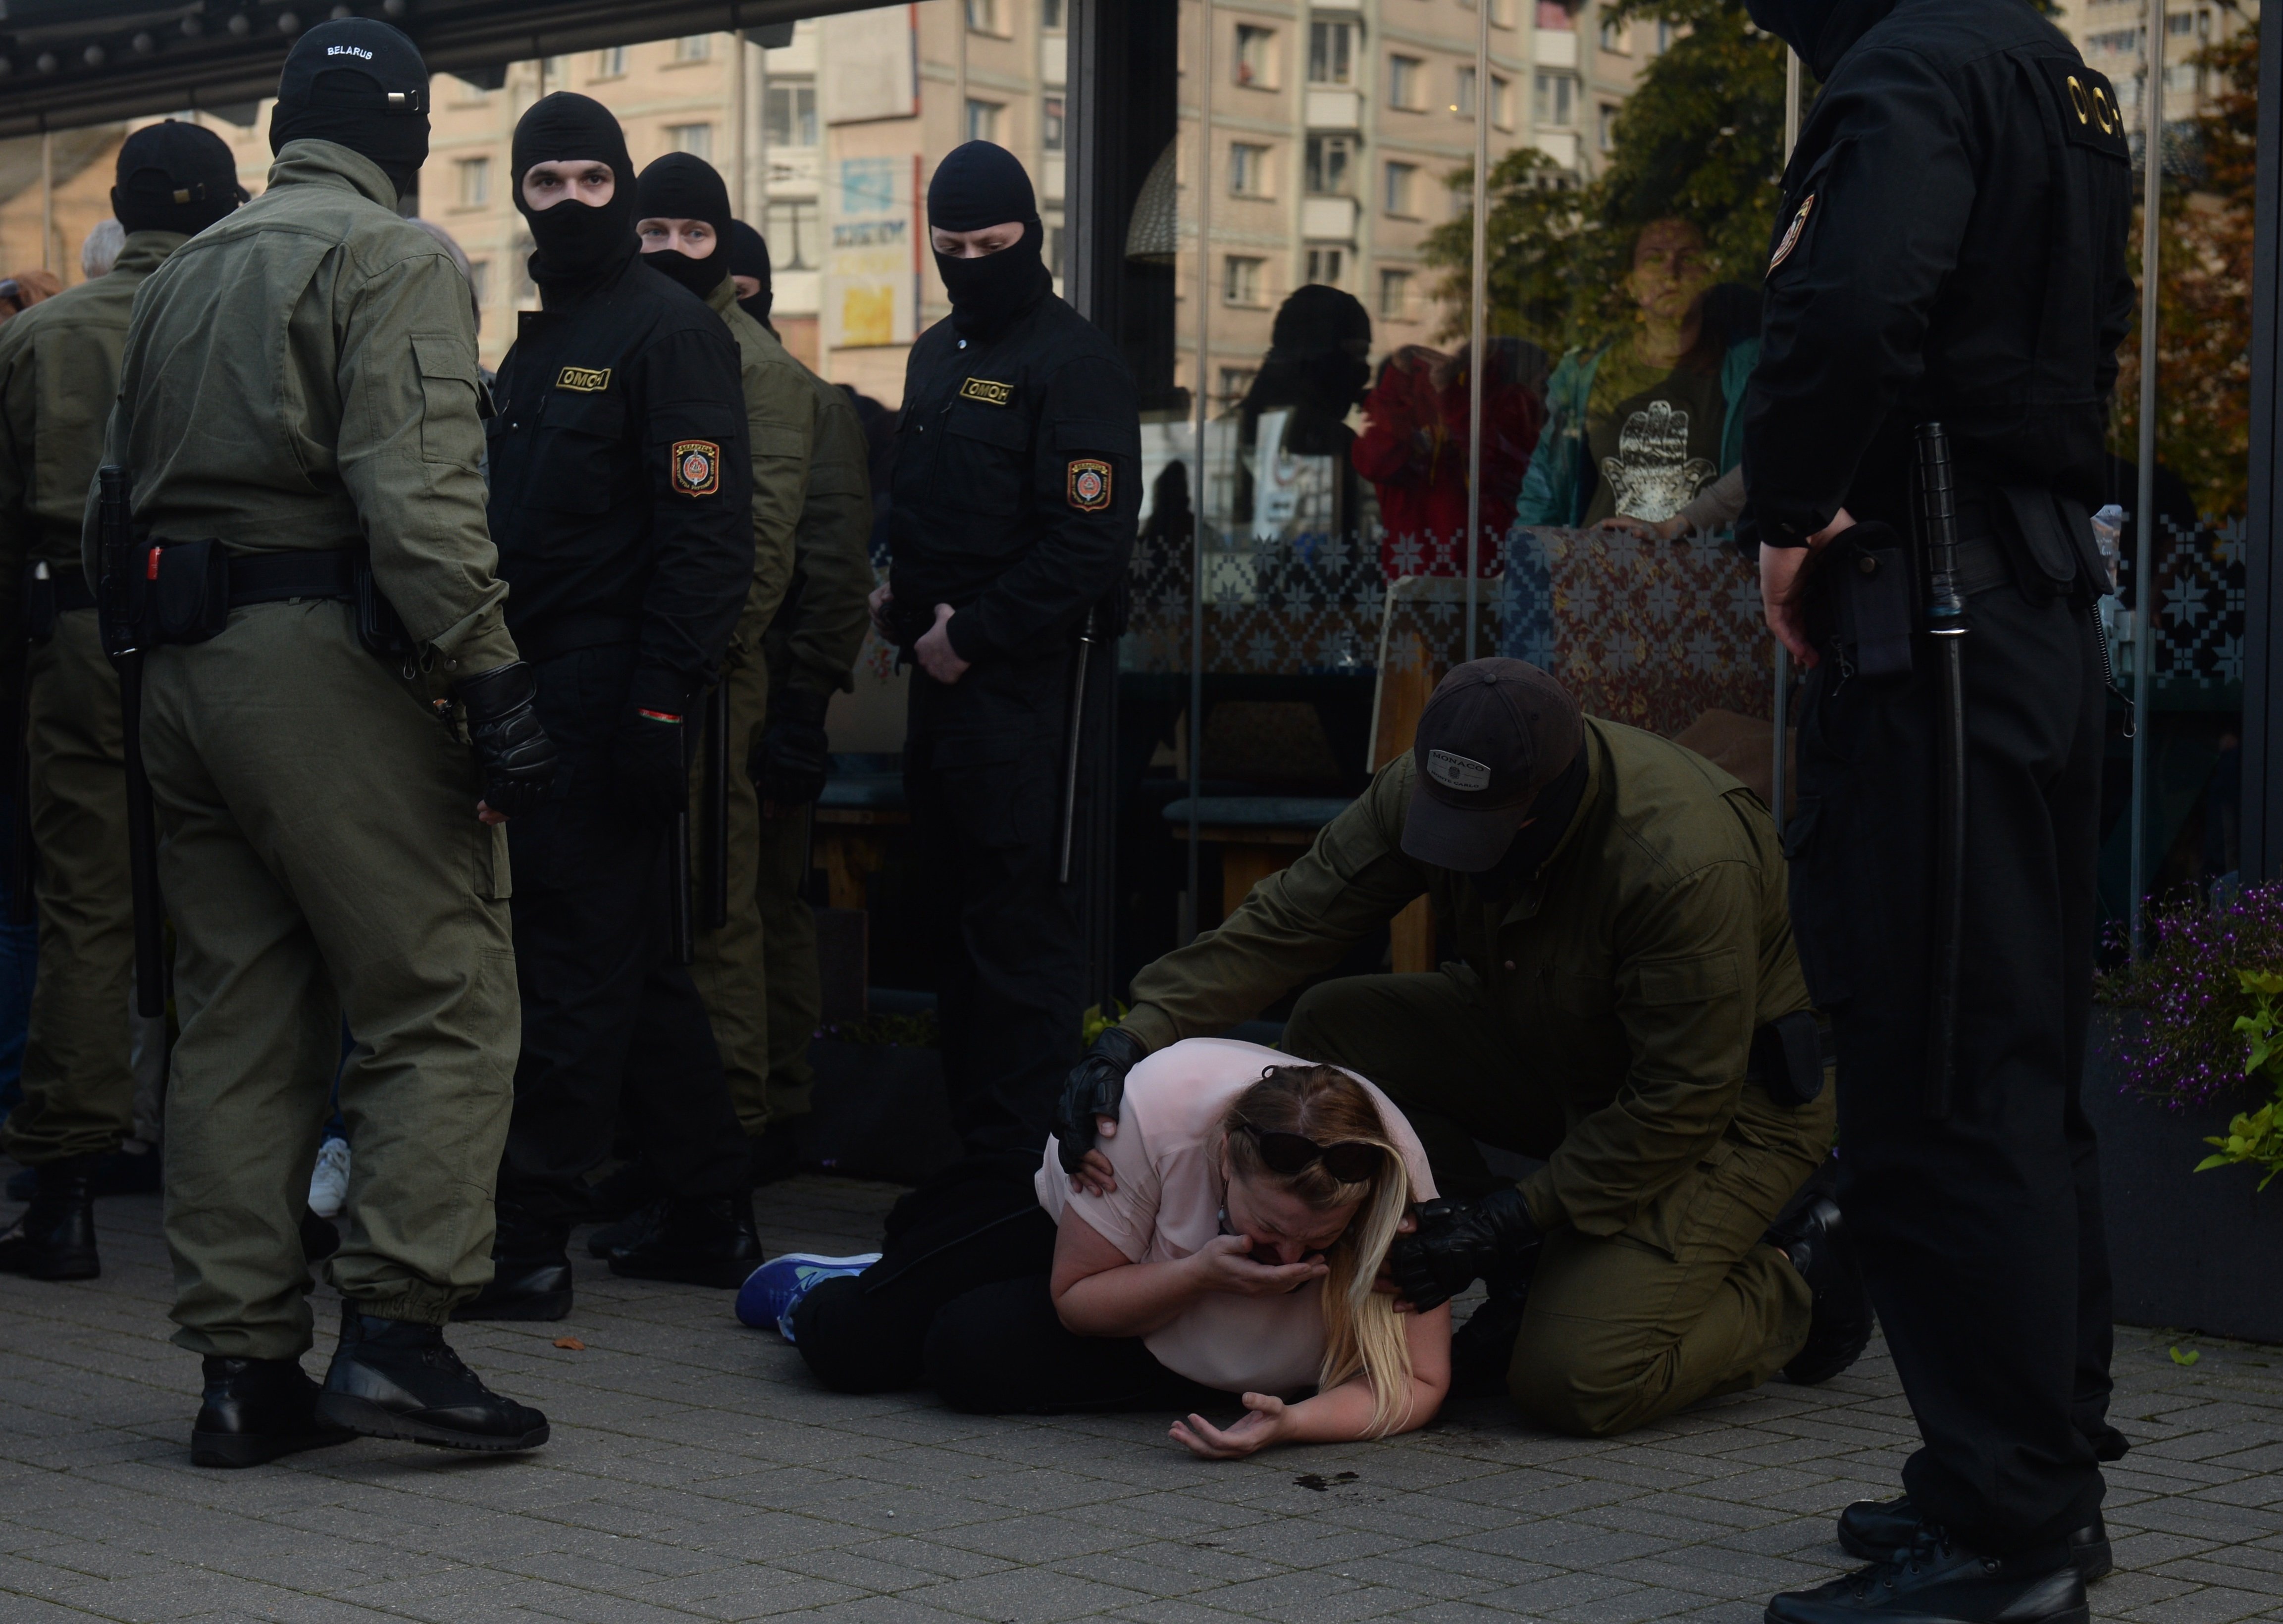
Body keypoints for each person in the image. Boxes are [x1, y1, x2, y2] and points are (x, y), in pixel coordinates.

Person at [89, 18, 558, 1464]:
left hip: (182, 670)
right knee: (445, 994)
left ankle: (243, 1374)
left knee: (240, 1014)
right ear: (404, 134)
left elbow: (114, 503)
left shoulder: (186, 269)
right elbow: (416, 500)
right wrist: (490, 679)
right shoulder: (396, 254)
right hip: (326, 659)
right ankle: (398, 1336)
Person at [1741, 0, 2134, 1619]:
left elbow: (1853, 306)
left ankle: (2010, 1538)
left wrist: (1784, 512)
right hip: (2025, 622)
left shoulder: (1907, 71)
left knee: (1936, 1079)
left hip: (1938, 640)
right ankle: (2013, 1476)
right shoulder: (2054, 68)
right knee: (2017, 1071)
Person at [1055, 659, 1870, 1440]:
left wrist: (1505, 1220)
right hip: (1558, 1049)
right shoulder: (1433, 782)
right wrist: (1131, 1037)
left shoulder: (1680, 861)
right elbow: (1287, 926)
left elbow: (1680, 1102)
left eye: (1481, 835)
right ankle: (1536, 1267)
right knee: (1340, 1027)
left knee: (1574, 1379)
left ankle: (1799, 1273)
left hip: (1726, 1115)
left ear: (1545, 802)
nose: (1454, 850)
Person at [464, 94, 759, 1322]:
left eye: (596, 180)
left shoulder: (667, 334)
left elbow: (707, 539)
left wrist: (657, 706)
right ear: (523, 195)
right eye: (550, 183)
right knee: (630, 970)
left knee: (572, 969)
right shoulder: (540, 339)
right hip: (542, 683)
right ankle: (706, 1211)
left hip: (610, 685)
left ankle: (526, 1240)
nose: (574, 202)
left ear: (625, 189)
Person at [0, 123, 245, 1281]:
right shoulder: (243, 315)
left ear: (120, 204)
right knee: (233, 901)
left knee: (86, 910)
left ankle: (63, 1195)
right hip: (230, 633)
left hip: (82, 633)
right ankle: (247, 1182)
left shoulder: (42, 334)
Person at [786, 1040, 1451, 1454]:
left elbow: (1419, 1380)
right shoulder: (1157, 1109)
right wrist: (1196, 1275)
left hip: (1197, 1341)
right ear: (1224, 1158)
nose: (1285, 1258)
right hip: (1076, 1227)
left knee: (968, 1354)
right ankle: (843, 1278)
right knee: (851, 1342)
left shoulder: (1394, 1189)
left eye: (1319, 1240)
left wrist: (1294, 1426)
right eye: (1269, 1230)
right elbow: (1076, 1299)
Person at [870, 141, 1140, 1152]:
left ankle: (1025, 1174)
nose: (972, 260)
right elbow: (929, 502)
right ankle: (970, 1159)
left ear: (1033, 233)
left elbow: (1090, 537)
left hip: (1031, 697)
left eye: (994, 243)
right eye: (952, 245)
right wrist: (904, 596)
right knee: (951, 931)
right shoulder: (937, 353)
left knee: (1020, 947)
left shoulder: (1074, 363)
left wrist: (972, 635)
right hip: (942, 695)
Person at [621, 154, 815, 1189]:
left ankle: (730, 1134)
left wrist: (678, 660)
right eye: (653, 231)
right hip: (632, 671)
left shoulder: (760, 372)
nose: (668, 251)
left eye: (696, 235)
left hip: (707, 675)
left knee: (718, 910)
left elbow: (764, 546)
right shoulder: (624, 334)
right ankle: (667, 1136)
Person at [740, 228, 876, 1178]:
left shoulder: (803, 402)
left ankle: (774, 1104)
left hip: (769, 687)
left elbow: (831, 565)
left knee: (761, 903)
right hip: (748, 686)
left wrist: (801, 705)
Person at [1514, 218, 1757, 532]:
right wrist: (1531, 565)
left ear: (1709, 278)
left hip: (1706, 576)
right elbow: (1544, 491)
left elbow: (1771, 471)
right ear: (1631, 284)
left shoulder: (1750, 371)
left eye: (1688, 258)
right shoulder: (1585, 375)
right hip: (1602, 573)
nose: (1671, 271)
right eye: (1654, 258)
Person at [1352, 340, 1547, 578]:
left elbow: (1510, 472)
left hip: (1492, 577)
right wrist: (1399, 380)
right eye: (1543, 385)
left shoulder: (1502, 403)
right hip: (1420, 579)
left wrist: (1451, 396)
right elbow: (1376, 463)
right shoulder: (1401, 402)